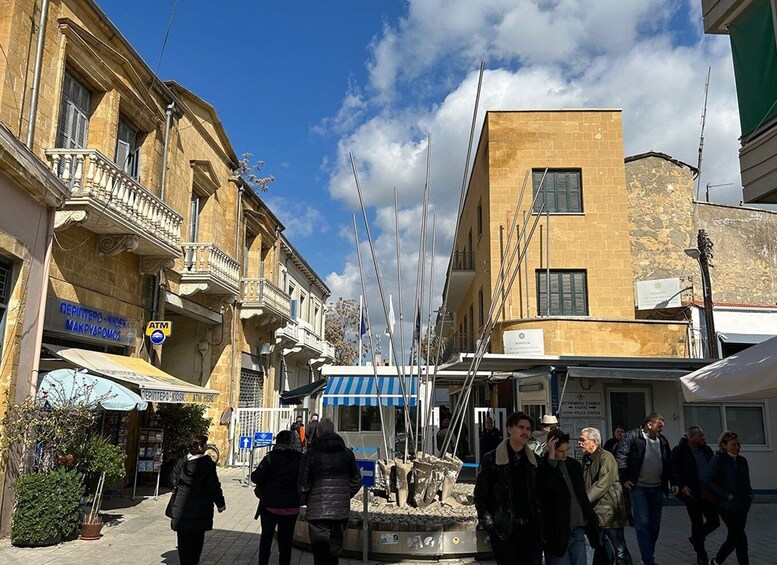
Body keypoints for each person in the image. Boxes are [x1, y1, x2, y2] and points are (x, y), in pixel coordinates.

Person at [474, 411, 543, 565]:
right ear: (510, 429)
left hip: (531, 531)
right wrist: (491, 526)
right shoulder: (492, 459)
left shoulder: (535, 462)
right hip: (505, 531)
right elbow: (481, 496)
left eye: (528, 429)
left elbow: (542, 494)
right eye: (521, 427)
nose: (525, 432)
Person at [298, 417, 363, 565]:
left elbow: (303, 483)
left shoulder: (311, 454)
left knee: (320, 555)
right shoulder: (347, 454)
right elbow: (357, 481)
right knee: (334, 553)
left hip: (318, 512)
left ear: (318, 433)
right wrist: (345, 495)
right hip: (340, 512)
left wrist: (308, 499)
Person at [615, 413, 671, 565]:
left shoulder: (662, 441)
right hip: (638, 487)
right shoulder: (633, 437)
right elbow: (621, 456)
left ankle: (647, 554)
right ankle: (648, 560)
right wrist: (625, 478)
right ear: (649, 424)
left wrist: (674, 483)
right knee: (643, 524)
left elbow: (668, 463)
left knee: (655, 525)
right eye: (659, 427)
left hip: (657, 488)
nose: (661, 430)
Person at [542, 428, 599, 565]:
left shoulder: (573, 465)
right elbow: (546, 488)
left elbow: (580, 494)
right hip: (558, 529)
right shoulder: (544, 466)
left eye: (566, 450)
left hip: (578, 525)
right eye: (560, 451)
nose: (564, 454)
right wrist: (551, 459)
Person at [169, 434, 226, 565]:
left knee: (183, 542)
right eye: (205, 444)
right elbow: (214, 487)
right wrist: (220, 504)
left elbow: (172, 480)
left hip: (181, 507)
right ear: (200, 446)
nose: (207, 446)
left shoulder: (182, 461)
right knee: (197, 541)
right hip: (201, 509)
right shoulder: (207, 464)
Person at [579, 427, 633, 565]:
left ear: (594, 442)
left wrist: (583, 501)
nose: (580, 443)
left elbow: (601, 484)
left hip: (609, 513)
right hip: (595, 512)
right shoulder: (586, 459)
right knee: (599, 549)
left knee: (619, 550)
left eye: (582, 440)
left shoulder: (606, 457)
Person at [251, 430, 302, 565]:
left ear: (277, 442)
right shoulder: (300, 458)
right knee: (286, 543)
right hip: (291, 507)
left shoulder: (270, 458)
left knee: (266, 539)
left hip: (270, 506)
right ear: (292, 442)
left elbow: (255, 477)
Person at [670, 426, 719, 565]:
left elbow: (714, 468)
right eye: (700, 436)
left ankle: (696, 538)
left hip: (707, 492)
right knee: (696, 523)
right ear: (691, 437)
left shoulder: (707, 450)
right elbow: (674, 470)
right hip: (691, 493)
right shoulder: (680, 451)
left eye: (703, 435)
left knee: (714, 521)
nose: (703, 438)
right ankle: (701, 554)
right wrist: (681, 485)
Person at [705, 431, 752, 565]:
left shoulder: (742, 461)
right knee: (741, 538)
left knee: (733, 538)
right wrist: (725, 494)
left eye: (738, 444)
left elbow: (746, 482)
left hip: (741, 505)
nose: (737, 447)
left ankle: (716, 561)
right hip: (726, 505)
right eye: (733, 445)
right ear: (724, 445)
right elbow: (707, 480)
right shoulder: (718, 460)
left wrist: (748, 496)